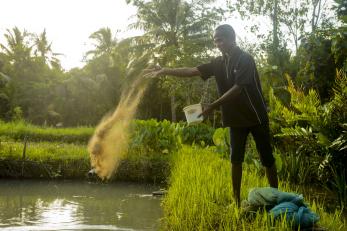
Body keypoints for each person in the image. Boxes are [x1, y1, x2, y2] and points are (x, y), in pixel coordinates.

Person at [144, 24, 278, 205]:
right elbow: (191, 71)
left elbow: (238, 89)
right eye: (215, 40)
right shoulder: (218, 63)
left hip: (256, 116)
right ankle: (236, 201)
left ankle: (276, 197)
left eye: (220, 39)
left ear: (232, 38)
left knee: (266, 158)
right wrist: (165, 70)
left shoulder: (245, 59)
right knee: (235, 159)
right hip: (236, 119)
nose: (217, 44)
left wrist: (212, 106)